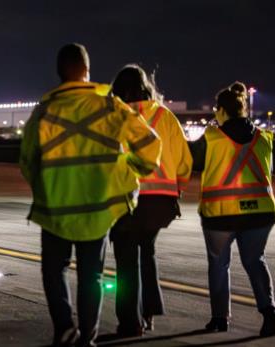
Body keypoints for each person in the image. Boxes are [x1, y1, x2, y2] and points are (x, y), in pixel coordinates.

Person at [20, 43, 161, 346]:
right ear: (87, 71)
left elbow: (27, 161)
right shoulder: (110, 106)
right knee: (91, 277)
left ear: (60, 73)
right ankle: (88, 338)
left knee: (53, 271)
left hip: (56, 208)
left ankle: (64, 326)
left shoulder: (44, 111)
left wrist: (46, 186)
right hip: (98, 209)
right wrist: (130, 170)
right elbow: (151, 146)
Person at [109, 65, 193, 336]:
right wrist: (177, 188)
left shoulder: (115, 116)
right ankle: (148, 313)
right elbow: (184, 160)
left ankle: (130, 322)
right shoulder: (164, 115)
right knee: (147, 251)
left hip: (127, 199)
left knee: (126, 259)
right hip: (161, 202)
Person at [190, 82, 275, 336]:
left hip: (221, 214)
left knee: (219, 265)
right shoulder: (264, 139)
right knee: (255, 261)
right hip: (260, 214)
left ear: (221, 111)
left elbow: (189, 161)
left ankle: (219, 319)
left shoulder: (211, 138)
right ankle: (269, 312)